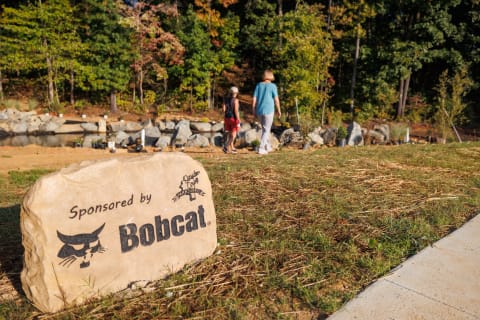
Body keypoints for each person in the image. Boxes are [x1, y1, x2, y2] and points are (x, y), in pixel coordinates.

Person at [252, 70, 281, 154]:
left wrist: (253, 109)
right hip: (269, 109)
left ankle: (267, 146)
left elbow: (254, 98)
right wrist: (279, 109)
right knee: (267, 129)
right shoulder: (272, 86)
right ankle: (261, 148)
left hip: (260, 110)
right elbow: (276, 99)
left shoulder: (258, 85)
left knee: (265, 129)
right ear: (271, 76)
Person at [222, 86, 240, 154]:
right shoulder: (236, 100)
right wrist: (238, 120)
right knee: (234, 135)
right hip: (233, 118)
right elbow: (236, 111)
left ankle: (232, 148)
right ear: (236, 93)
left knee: (230, 134)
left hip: (226, 118)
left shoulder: (225, 99)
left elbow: (223, 109)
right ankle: (226, 146)